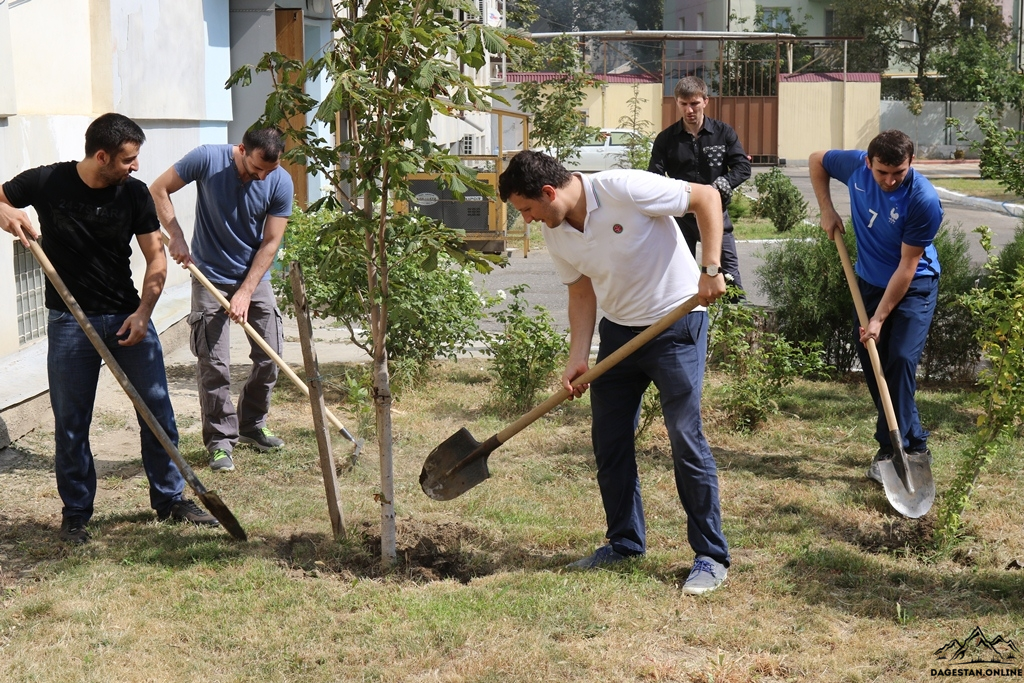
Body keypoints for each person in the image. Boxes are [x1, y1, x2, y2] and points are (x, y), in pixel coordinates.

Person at [498, 150, 731, 595]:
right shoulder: (558, 232)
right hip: (620, 335)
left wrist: (711, 270)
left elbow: (706, 198)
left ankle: (710, 556)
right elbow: (582, 294)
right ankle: (624, 543)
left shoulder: (621, 188)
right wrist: (578, 356)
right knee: (609, 440)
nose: (526, 219)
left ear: (549, 193)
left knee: (685, 437)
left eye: (526, 209)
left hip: (675, 322)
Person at [0, 113, 219, 543]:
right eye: (128, 159)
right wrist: (6, 213)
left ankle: (171, 498)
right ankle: (77, 513)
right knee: (71, 422)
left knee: (157, 410)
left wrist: (143, 313)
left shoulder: (134, 195)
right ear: (102, 156)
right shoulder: (47, 182)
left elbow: (156, 259)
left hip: (126, 318)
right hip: (69, 321)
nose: (135, 167)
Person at [150, 128, 294, 473]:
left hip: (254, 277)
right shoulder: (207, 158)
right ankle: (219, 442)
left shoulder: (280, 181)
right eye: (257, 167)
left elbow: (271, 243)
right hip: (209, 275)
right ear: (242, 149)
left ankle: (251, 425)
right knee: (214, 364)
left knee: (270, 355)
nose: (262, 176)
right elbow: (158, 189)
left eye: (269, 171)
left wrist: (245, 291)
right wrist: (177, 236)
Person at [809, 130, 941, 483]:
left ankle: (906, 447)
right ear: (869, 163)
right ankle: (899, 444)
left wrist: (879, 318)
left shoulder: (923, 199)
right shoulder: (855, 166)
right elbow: (817, 159)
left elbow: (907, 266)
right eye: (882, 172)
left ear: (911, 163)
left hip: (914, 285)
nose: (890, 180)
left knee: (898, 359)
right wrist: (827, 208)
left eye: (898, 172)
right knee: (873, 362)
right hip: (867, 283)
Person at [649, 76, 751, 294]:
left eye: (694, 103)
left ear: (705, 101)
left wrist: (724, 183)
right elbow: (653, 177)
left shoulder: (724, 133)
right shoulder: (665, 139)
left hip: (716, 215)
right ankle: (687, 325)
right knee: (680, 279)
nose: (689, 110)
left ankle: (735, 321)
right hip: (680, 219)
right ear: (676, 103)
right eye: (683, 104)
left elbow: (743, 167)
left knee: (728, 276)